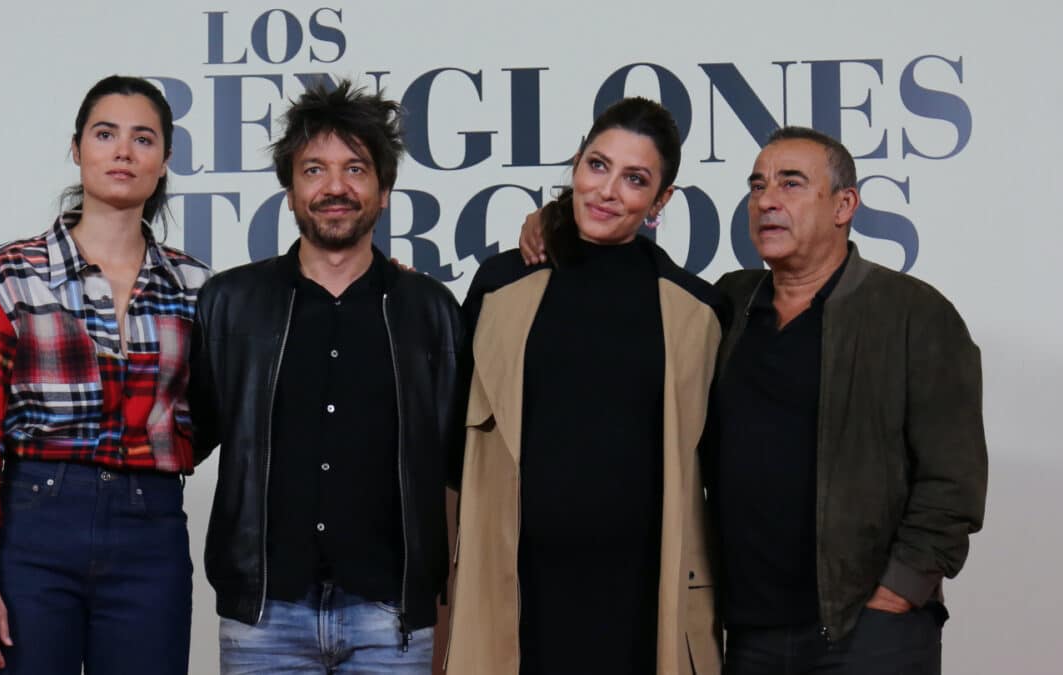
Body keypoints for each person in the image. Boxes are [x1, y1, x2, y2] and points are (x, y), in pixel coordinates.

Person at [0, 75, 210, 674]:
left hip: (151, 534)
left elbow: (214, 412)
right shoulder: (7, 275)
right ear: (77, 147)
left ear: (163, 162)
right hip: (35, 526)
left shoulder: (197, 288)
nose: (123, 151)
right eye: (105, 133)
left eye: (144, 139)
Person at [188, 79, 466, 674]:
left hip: (389, 617)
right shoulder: (229, 304)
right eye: (314, 169)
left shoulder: (431, 311)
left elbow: (461, 459)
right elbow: (182, 435)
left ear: (384, 189)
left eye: (356, 169)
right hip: (264, 616)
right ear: (290, 190)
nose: (335, 187)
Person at [446, 97, 727, 675]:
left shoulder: (697, 309)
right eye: (597, 166)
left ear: (661, 200)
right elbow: (454, 449)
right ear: (576, 164)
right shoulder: (500, 286)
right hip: (518, 598)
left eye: (635, 179)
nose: (607, 190)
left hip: (641, 604)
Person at [707, 126, 987, 674]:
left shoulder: (914, 313)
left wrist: (899, 591)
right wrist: (552, 225)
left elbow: (954, 478)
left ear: (844, 205)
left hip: (869, 633)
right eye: (757, 185)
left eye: (791, 184)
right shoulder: (726, 305)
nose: (766, 200)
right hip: (748, 635)